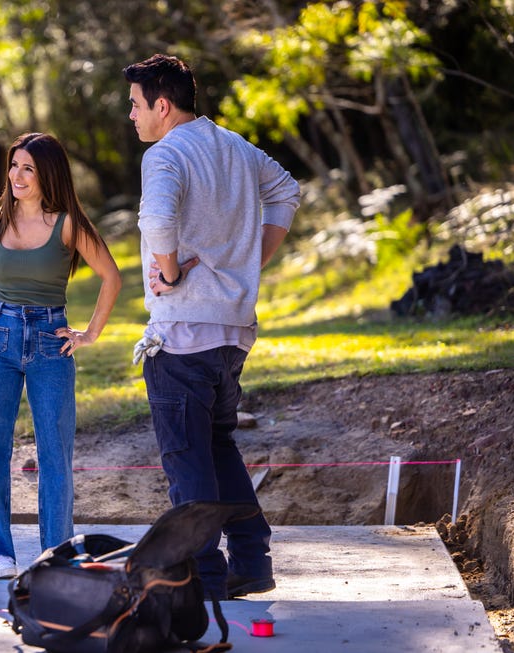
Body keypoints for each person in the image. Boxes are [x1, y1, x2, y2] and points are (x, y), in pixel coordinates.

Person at [122, 54, 301, 600]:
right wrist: (253, 262)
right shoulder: (234, 147)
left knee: (188, 461)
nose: (131, 117)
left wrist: (170, 271)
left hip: (180, 335)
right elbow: (287, 190)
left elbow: (156, 220)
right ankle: (251, 560)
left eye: (134, 105)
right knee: (219, 448)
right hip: (232, 333)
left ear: (162, 104)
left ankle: (205, 576)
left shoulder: (166, 154)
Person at [0, 132, 122, 579]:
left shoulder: (67, 223)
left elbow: (110, 275)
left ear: (48, 174)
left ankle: (56, 553)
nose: (18, 176)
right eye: (14, 166)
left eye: (29, 168)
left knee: (54, 451)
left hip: (51, 340)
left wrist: (91, 333)